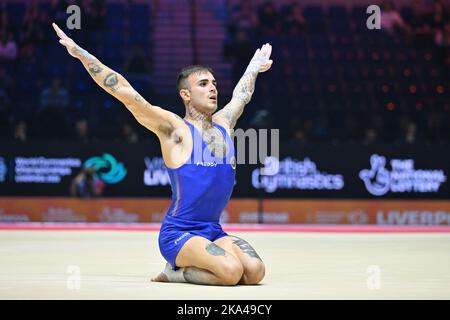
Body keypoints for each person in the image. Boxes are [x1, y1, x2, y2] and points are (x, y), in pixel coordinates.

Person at [52, 23, 273, 286]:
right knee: (231, 272)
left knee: (255, 271)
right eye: (203, 84)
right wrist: (81, 54)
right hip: (179, 234)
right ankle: (174, 272)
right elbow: (126, 94)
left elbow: (242, 95)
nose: (212, 88)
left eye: (214, 83)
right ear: (186, 95)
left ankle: (198, 265)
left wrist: (253, 66)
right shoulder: (174, 130)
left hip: (213, 231)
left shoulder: (224, 124)